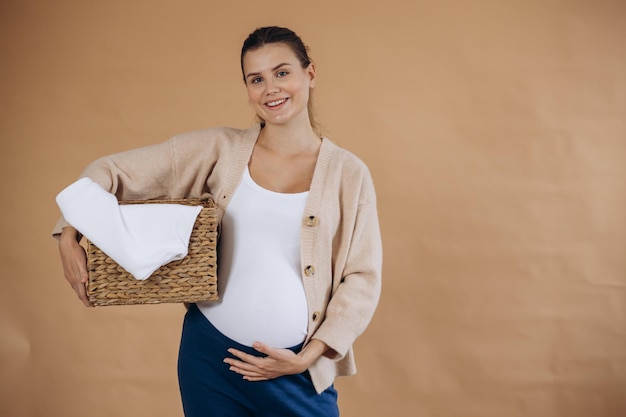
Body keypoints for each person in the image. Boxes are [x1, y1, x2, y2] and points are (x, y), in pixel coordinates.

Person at [53, 26, 382, 417]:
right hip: (210, 360)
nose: (271, 89)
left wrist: (307, 357)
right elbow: (110, 171)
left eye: (282, 73)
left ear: (309, 74)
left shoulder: (348, 173)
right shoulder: (218, 150)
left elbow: (362, 278)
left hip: (295, 370)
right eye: (256, 79)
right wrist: (68, 230)